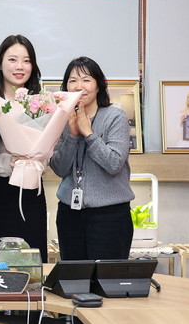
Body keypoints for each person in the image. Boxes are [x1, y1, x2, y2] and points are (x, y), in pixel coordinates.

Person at [49, 56, 134, 261]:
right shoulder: (61, 119)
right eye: (73, 80)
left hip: (110, 216)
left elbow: (113, 164)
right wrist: (72, 135)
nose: (79, 86)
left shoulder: (115, 117)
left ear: (98, 85)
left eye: (86, 80)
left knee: (107, 277)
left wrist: (88, 133)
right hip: (70, 213)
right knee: (75, 277)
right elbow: (59, 168)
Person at [0, 35, 48, 262]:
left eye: (26, 61)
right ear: (0, 63)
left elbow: (48, 150)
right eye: (13, 59)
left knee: (30, 264)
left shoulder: (42, 104)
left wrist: (35, 161)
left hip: (30, 194)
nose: (20, 66)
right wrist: (7, 163)